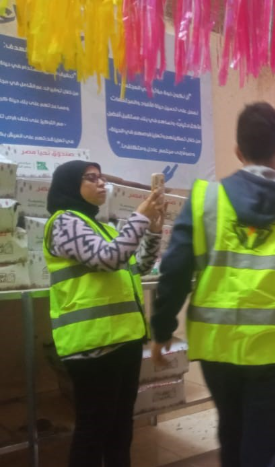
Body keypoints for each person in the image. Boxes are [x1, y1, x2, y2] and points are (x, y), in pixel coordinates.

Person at [150, 102, 275, 467]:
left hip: (218, 346)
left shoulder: (203, 200)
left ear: (239, 151)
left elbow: (175, 270)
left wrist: (161, 329)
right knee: (269, 449)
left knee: (233, 436)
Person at [43, 160, 164, 467]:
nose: (101, 184)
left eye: (102, 178)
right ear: (71, 184)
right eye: (91, 178)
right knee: (94, 430)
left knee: (121, 429)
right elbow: (107, 258)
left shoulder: (104, 227)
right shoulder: (64, 222)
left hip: (123, 339)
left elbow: (139, 266)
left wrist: (153, 231)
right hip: (93, 346)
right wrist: (140, 217)